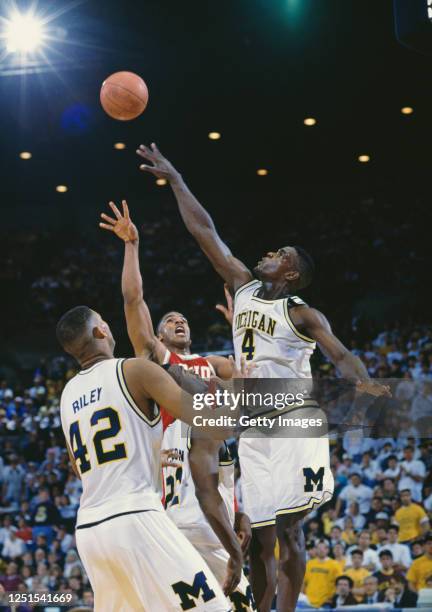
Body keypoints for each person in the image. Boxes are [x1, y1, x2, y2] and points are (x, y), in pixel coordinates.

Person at [135, 141, 391, 612]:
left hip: (294, 417)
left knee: (290, 531)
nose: (269, 253)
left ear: (290, 273)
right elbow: (206, 233)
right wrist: (176, 180)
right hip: (254, 424)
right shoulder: (244, 286)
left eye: (280, 253)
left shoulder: (302, 313)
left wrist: (364, 383)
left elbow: (340, 354)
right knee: (258, 538)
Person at [100, 201, 255, 611]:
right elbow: (134, 303)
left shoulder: (212, 364)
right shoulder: (157, 361)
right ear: (161, 335)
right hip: (182, 499)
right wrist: (132, 246)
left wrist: (243, 324)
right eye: (170, 320)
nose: (178, 321)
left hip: (215, 494)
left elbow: (248, 380)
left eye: (183, 318)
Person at [56, 305, 232, 611]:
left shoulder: (68, 393)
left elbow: (77, 466)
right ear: (101, 331)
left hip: (89, 531)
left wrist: (146, 453)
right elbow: (212, 424)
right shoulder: (135, 369)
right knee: (214, 607)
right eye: (104, 321)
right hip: (135, 517)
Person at [302, 540, 341, 608]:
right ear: (316, 549)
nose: (321, 550)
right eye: (319, 548)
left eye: (324, 548)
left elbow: (339, 583)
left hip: (326, 602)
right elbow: (303, 582)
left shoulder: (335, 565)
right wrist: (303, 595)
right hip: (308, 601)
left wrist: (333, 598)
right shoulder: (309, 564)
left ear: (328, 550)